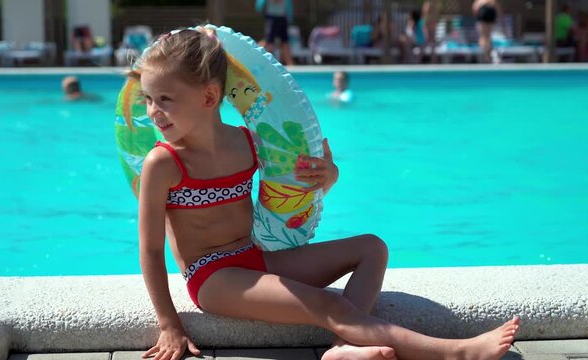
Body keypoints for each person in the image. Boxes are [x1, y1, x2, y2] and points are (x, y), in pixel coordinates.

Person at [134, 28, 520, 360]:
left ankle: (342, 347)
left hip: (254, 257)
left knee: (372, 247)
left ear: (208, 97)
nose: (153, 111)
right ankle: (456, 353)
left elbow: (298, 188)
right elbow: (151, 250)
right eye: (149, 99)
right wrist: (168, 323)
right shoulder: (164, 163)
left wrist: (327, 177)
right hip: (212, 276)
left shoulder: (248, 144)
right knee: (328, 303)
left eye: (165, 99)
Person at [255, 0, 295, 65]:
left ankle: (290, 63)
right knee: (269, 42)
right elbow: (259, 5)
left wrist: (289, 18)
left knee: (284, 42)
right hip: (272, 18)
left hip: (283, 18)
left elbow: (288, 4)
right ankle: (254, 53)